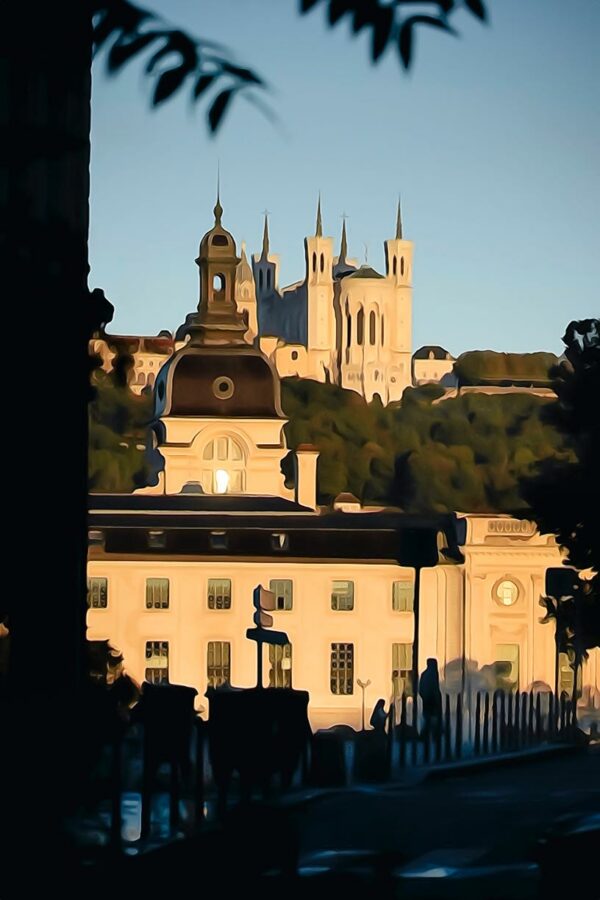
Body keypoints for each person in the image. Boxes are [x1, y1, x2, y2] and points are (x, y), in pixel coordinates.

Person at [419, 658, 442, 738]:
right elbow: (435, 688)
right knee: (433, 719)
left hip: (426, 700)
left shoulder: (424, 674)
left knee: (429, 719)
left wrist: (424, 697)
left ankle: (425, 735)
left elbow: (421, 689)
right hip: (432, 701)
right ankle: (430, 735)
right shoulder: (433, 674)